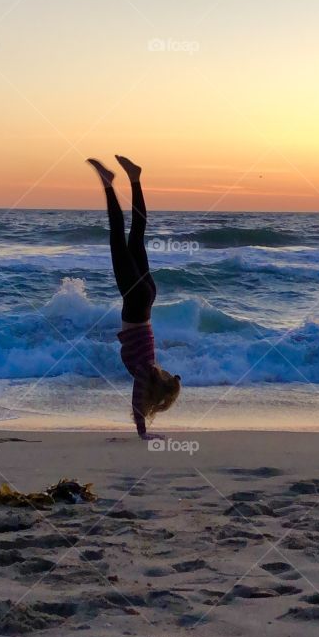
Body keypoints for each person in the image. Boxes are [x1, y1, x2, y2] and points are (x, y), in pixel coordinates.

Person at [87, 155, 181, 439]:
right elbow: (136, 402)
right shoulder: (144, 373)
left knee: (136, 236)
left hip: (148, 297)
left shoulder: (151, 364)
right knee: (118, 236)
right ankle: (107, 183)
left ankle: (135, 178)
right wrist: (143, 433)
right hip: (136, 300)